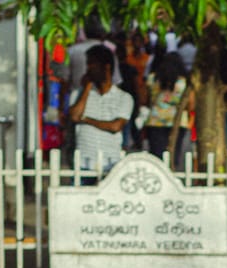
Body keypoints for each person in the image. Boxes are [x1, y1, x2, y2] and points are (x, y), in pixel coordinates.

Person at [69, 45, 133, 175]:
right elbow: (75, 116)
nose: (88, 69)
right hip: (83, 162)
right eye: (88, 64)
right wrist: (86, 88)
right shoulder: (79, 94)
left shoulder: (124, 97)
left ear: (106, 67)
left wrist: (86, 119)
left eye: (92, 64)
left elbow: (115, 126)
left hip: (110, 163)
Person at [143, 54, 191, 160]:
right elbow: (190, 104)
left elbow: (145, 100)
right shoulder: (184, 82)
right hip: (177, 122)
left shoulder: (153, 79)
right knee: (173, 154)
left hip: (155, 121)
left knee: (156, 157)